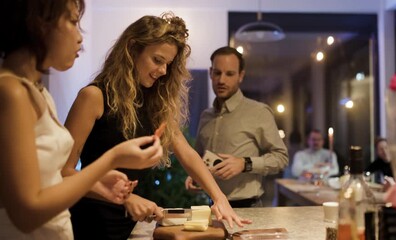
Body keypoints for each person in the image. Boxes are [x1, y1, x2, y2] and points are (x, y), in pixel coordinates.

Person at [62, 14, 250, 240]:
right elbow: (63, 172)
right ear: (132, 49)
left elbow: (188, 154)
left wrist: (220, 199)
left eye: (168, 65)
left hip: (129, 223)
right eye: (157, 60)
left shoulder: (153, 104)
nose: (163, 71)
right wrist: (126, 198)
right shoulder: (93, 96)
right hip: (90, 222)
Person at [0, 0, 164, 239]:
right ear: (39, 24)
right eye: (73, 21)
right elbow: (26, 213)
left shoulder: (37, 92)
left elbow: (49, 179)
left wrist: (96, 182)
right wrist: (111, 159)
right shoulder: (11, 91)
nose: (79, 37)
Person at [185, 46, 289, 208]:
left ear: (241, 76)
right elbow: (198, 158)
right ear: (211, 73)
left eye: (230, 74)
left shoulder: (259, 112)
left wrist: (244, 163)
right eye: (217, 73)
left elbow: (281, 158)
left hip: (249, 208)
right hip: (213, 207)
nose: (221, 80)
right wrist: (195, 175)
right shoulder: (206, 116)